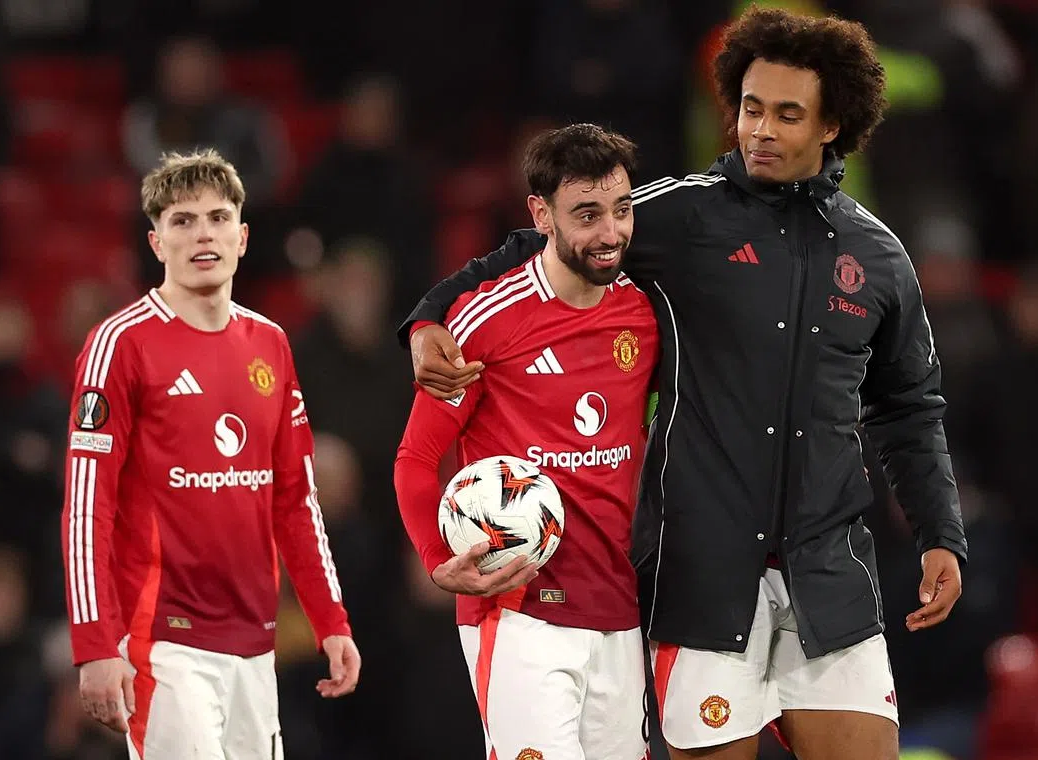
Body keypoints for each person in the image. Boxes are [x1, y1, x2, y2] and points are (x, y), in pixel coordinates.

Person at [399, 8, 968, 760]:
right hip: (704, 583)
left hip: (830, 576)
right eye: (750, 108)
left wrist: (940, 534)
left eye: (787, 114)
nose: (759, 130)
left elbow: (909, 408)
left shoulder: (878, 256)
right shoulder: (682, 213)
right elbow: (549, 242)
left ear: (832, 125)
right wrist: (427, 318)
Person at [60, 148, 361, 760]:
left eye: (219, 218)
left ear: (242, 237)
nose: (204, 234)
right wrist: (95, 644)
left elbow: (295, 500)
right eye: (183, 220)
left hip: (255, 641)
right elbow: (87, 508)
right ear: (157, 242)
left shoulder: (271, 344)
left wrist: (330, 619)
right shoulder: (120, 345)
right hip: (163, 641)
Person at [394, 123, 659, 760]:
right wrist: (436, 558)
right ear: (541, 215)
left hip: (619, 608)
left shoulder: (646, 315)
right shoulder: (485, 319)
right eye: (587, 215)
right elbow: (416, 458)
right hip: (518, 608)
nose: (610, 232)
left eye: (622, 210)